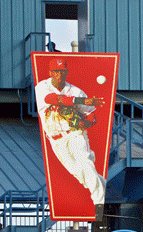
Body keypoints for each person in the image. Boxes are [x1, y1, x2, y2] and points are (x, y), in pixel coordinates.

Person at [34, 57, 107, 207]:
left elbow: (92, 115)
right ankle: (106, 186)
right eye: (56, 71)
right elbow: (52, 98)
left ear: (66, 72)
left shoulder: (76, 91)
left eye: (62, 71)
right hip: (56, 139)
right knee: (78, 172)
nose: (59, 74)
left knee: (85, 164)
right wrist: (80, 101)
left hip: (74, 134)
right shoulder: (42, 86)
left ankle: (99, 203)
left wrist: (85, 123)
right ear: (50, 73)